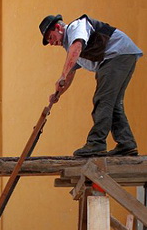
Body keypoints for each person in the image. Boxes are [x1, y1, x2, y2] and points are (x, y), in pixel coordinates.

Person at [39, 14, 143, 157]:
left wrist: (62, 75)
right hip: (122, 55)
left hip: (116, 56)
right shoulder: (70, 44)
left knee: (102, 100)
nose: (51, 43)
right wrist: (57, 94)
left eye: (50, 37)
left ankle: (96, 143)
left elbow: (76, 48)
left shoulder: (76, 28)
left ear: (58, 28)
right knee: (113, 104)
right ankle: (126, 144)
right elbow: (71, 72)